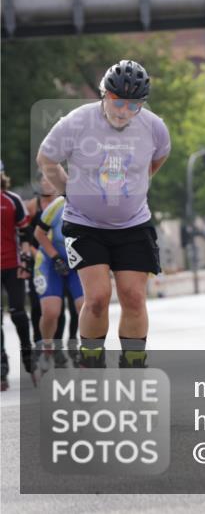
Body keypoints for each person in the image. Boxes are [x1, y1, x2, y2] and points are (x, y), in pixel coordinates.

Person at [36, 60, 170, 369]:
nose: (124, 110)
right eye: (117, 101)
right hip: (85, 224)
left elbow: (157, 160)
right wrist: (68, 190)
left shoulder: (154, 127)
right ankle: (92, 361)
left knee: (134, 298)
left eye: (133, 105)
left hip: (134, 223)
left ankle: (134, 364)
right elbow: (46, 158)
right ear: (104, 95)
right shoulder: (77, 122)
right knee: (96, 298)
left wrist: (136, 188)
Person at [31, 188, 85, 380]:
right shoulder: (57, 206)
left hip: (76, 263)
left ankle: (87, 351)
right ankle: (47, 348)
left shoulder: (93, 207)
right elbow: (39, 234)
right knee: (52, 312)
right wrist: (55, 258)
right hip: (49, 260)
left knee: (85, 307)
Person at [1, 161, 32, 390]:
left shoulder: (12, 200)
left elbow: (26, 234)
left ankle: (29, 359)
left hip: (13, 265)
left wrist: (26, 262)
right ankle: (2, 369)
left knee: (18, 313)